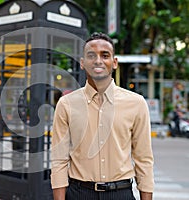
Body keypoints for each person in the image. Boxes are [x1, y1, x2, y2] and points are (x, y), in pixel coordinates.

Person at [51, 32, 154, 200]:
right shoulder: (66, 104)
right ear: (83, 63)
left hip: (120, 193)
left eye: (104, 55)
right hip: (79, 193)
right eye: (91, 55)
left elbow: (144, 160)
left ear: (114, 63)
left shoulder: (136, 103)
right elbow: (59, 160)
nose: (98, 60)